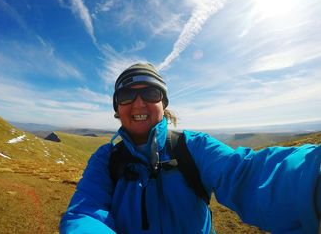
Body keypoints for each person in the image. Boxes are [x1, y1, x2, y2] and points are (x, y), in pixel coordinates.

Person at [60, 63, 321, 234]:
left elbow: (245, 174)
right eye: (127, 95)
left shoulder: (193, 147)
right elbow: (86, 213)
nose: (138, 103)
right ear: (117, 108)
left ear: (163, 103)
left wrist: (313, 182)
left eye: (150, 93)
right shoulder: (105, 160)